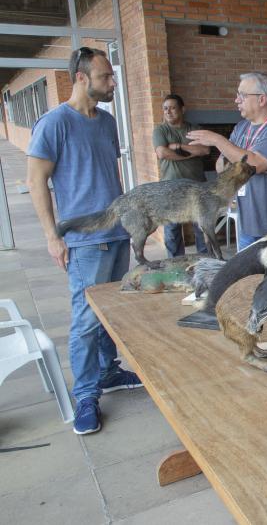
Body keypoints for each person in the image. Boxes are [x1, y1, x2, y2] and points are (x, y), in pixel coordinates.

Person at [26, 47, 143, 436]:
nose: (112, 83)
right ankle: (86, 395)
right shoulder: (54, 123)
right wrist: (52, 236)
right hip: (84, 241)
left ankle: (109, 372)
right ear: (81, 78)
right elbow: (35, 181)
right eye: (105, 77)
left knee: (109, 313)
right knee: (86, 320)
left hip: (117, 232)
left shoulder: (107, 123)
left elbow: (109, 176)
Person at [187, 72, 267, 250]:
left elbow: (255, 165)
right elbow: (221, 168)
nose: (236, 100)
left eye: (242, 95)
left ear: (262, 99)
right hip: (247, 225)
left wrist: (220, 142)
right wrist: (246, 161)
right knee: (248, 279)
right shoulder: (241, 128)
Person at [153, 93, 211, 257]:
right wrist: (191, 151)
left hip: (197, 187)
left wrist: (178, 146)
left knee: (201, 227)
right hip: (170, 188)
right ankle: (175, 264)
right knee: (172, 231)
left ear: (182, 109)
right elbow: (162, 153)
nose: (168, 112)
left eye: (172, 108)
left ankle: (204, 261)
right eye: (165, 109)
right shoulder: (160, 130)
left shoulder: (195, 129)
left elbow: (205, 150)